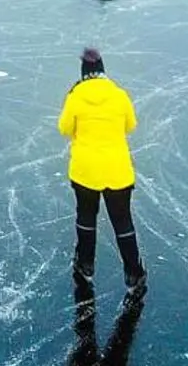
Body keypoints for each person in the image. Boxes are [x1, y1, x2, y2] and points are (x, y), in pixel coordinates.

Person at [57, 48, 146, 295]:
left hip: (85, 170)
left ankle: (85, 265)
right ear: (104, 70)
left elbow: (64, 128)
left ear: (83, 73)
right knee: (122, 221)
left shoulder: (75, 96)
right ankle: (133, 272)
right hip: (117, 170)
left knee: (86, 218)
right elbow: (131, 125)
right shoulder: (119, 95)